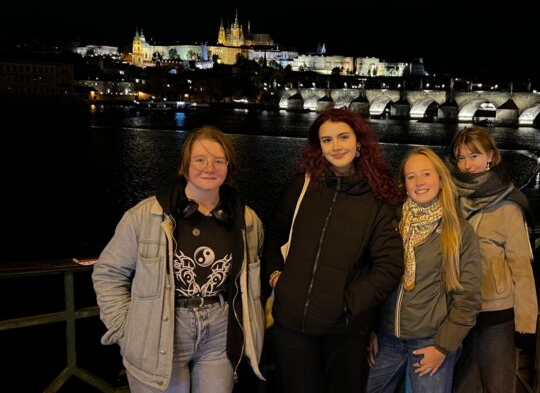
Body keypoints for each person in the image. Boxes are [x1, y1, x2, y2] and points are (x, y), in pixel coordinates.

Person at [92, 125, 266, 392]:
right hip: (162, 329)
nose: (209, 168)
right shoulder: (144, 216)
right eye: (200, 160)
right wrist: (126, 331)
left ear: (229, 167)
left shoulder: (248, 221)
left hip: (220, 334)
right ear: (185, 166)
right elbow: (109, 273)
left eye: (219, 161)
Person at [263, 108, 404, 393]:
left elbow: (388, 266)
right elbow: (275, 236)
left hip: (345, 330)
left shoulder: (377, 199)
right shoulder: (302, 186)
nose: (336, 146)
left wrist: (347, 303)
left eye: (343, 137)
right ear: (319, 147)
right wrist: (277, 278)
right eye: (327, 140)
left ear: (359, 142)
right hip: (292, 324)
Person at [366, 147, 482, 393]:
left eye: (426, 174)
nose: (419, 182)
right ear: (405, 184)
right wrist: (371, 329)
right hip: (387, 337)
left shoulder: (458, 231)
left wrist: (443, 347)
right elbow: (375, 278)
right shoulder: (392, 222)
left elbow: (468, 298)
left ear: (440, 179)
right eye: (411, 176)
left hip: (431, 339)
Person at [448, 126, 538, 393]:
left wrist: (526, 325)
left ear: (490, 156)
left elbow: (521, 267)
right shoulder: (451, 198)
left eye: (474, 156)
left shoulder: (508, 205)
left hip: (495, 310)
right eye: (461, 157)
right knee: (462, 384)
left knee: (497, 383)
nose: (467, 165)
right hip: (457, 306)